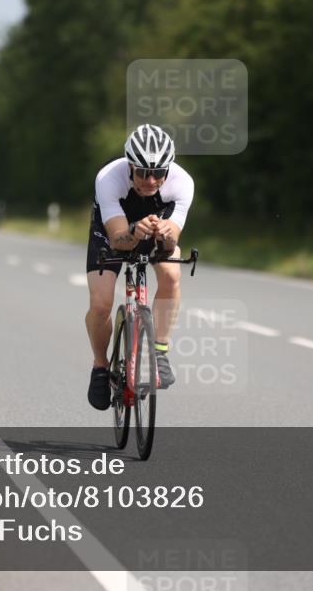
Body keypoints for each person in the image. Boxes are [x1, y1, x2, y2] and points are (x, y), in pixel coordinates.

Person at [85, 124, 195, 411]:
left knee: (172, 274)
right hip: (114, 232)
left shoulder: (182, 183)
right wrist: (134, 233)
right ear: (130, 166)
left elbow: (170, 245)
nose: (150, 180)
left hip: (154, 231)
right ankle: (100, 366)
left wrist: (166, 235)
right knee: (101, 303)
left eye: (158, 173)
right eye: (143, 172)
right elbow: (118, 239)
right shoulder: (109, 178)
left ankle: (159, 351)